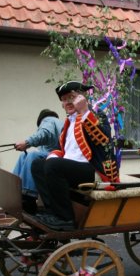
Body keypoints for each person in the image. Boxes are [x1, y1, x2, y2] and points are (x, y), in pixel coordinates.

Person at [31, 81, 119, 230]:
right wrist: (52, 156)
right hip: (72, 168)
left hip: (94, 169)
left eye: (71, 97)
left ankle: (65, 219)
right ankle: (52, 211)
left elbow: (104, 139)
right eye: (64, 99)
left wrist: (85, 112)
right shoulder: (68, 122)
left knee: (54, 166)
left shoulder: (97, 114)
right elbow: (64, 150)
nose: (68, 102)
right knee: (38, 164)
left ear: (82, 97)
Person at [13, 109, 63, 213]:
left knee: (32, 155)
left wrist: (27, 143)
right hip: (56, 156)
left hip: (57, 157)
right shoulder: (58, 123)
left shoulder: (48, 120)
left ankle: (27, 197)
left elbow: (44, 133)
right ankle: (15, 190)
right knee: (24, 155)